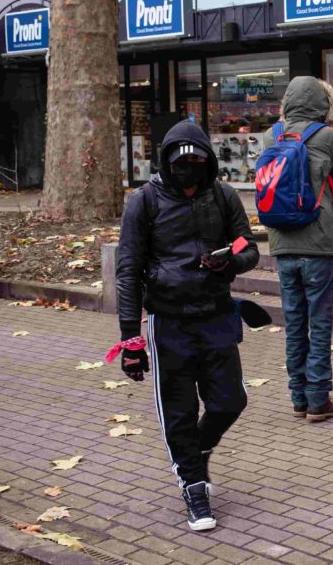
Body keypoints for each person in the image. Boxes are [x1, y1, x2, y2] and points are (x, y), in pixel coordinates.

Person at [113, 121, 260, 531]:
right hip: (169, 321)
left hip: (215, 314)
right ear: (167, 162)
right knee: (178, 411)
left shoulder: (224, 195)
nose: (189, 170)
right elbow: (128, 271)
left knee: (230, 401)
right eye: (181, 163)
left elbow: (248, 247)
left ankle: (196, 451)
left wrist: (229, 260)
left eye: (197, 161)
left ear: (208, 162)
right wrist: (130, 339)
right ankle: (193, 486)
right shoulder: (142, 202)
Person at [264, 77, 333, 421]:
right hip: (318, 245)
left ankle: (298, 397)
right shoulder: (326, 135)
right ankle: (319, 400)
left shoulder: (271, 136)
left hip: (281, 244)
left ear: (287, 101)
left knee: (293, 323)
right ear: (323, 103)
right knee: (319, 324)